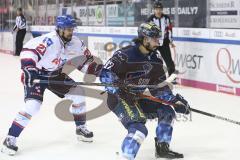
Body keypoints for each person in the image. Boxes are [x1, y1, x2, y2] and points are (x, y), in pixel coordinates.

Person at [1, 15, 102, 156]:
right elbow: (28, 51)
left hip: (55, 74)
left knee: (78, 93)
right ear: (59, 29)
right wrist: (29, 68)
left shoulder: (76, 43)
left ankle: (81, 128)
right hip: (37, 74)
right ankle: (10, 138)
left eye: (72, 29)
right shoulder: (50, 40)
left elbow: (84, 63)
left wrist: (99, 72)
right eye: (68, 29)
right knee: (33, 106)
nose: (71, 32)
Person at [100, 22, 190, 159]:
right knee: (139, 130)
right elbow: (105, 73)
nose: (158, 42)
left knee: (167, 112)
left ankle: (162, 149)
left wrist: (175, 101)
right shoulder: (125, 55)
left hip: (137, 97)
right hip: (119, 98)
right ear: (145, 39)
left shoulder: (155, 59)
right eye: (155, 39)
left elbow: (159, 88)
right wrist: (115, 85)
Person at [146, 0, 177, 77]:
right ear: (154, 10)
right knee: (150, 59)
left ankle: (172, 77)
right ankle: (148, 77)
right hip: (153, 43)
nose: (158, 11)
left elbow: (169, 30)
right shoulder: (150, 19)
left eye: (160, 9)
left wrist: (171, 41)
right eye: (156, 9)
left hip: (164, 42)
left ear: (162, 9)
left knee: (169, 60)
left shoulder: (166, 18)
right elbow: (146, 31)